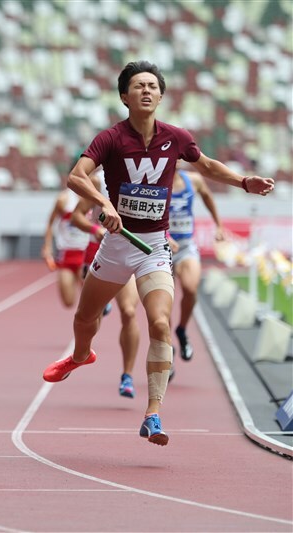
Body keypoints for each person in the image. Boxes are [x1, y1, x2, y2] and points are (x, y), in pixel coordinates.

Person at [42, 60, 274, 446]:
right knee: (85, 318)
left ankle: (153, 413)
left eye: (153, 85)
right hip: (116, 246)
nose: (146, 90)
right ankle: (82, 354)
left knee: (160, 323)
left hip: (153, 247)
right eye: (138, 86)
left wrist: (243, 181)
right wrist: (106, 203)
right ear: (124, 97)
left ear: (161, 96)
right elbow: (74, 177)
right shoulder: (111, 138)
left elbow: (209, 166)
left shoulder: (176, 137)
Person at [69, 171, 140, 399]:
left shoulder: (148, 178)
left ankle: (127, 376)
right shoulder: (100, 180)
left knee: (129, 312)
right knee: (90, 317)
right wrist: (96, 230)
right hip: (101, 256)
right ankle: (83, 351)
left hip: (131, 255)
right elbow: (77, 216)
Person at [167, 168, 224, 362]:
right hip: (160, 249)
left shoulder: (194, 180)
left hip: (185, 247)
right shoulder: (153, 182)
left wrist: (219, 225)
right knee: (162, 304)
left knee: (191, 289)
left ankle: (182, 330)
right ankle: (166, 346)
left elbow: (208, 197)